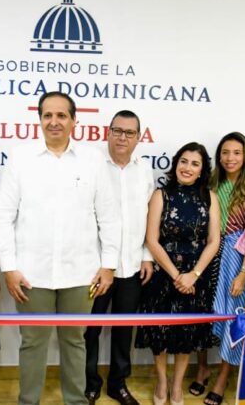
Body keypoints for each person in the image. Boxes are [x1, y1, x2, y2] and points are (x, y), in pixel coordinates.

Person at [0, 91, 120, 405]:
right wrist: (9, 267)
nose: (54, 121)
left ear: (74, 120)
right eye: (47, 115)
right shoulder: (20, 158)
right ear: (39, 120)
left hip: (81, 273)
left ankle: (76, 401)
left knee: (75, 341)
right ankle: (28, 402)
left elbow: (109, 216)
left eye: (61, 115)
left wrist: (108, 265)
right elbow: (2, 217)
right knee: (32, 343)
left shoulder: (92, 160)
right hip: (30, 274)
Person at [135, 142, 221, 405]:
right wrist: (176, 276)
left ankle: (176, 385)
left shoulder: (210, 197)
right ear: (176, 164)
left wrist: (193, 274)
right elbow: (152, 240)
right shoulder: (161, 195)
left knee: (186, 333)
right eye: (184, 161)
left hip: (196, 276)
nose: (188, 168)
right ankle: (162, 380)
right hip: (164, 273)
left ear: (202, 170)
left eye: (195, 164)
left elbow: (214, 241)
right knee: (160, 332)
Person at [84, 110, 155, 405]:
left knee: (124, 328)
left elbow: (150, 216)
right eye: (117, 131)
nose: (122, 137)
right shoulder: (92, 165)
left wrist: (147, 256)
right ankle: (89, 384)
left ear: (138, 137)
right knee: (90, 329)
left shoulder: (144, 170)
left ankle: (118, 384)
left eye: (129, 132)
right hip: (96, 267)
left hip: (133, 265)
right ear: (108, 132)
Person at [204, 132, 245, 405]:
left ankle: (223, 376)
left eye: (237, 153)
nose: (230, 158)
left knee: (231, 317)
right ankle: (202, 368)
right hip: (207, 255)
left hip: (236, 258)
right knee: (203, 313)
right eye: (225, 152)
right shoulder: (210, 184)